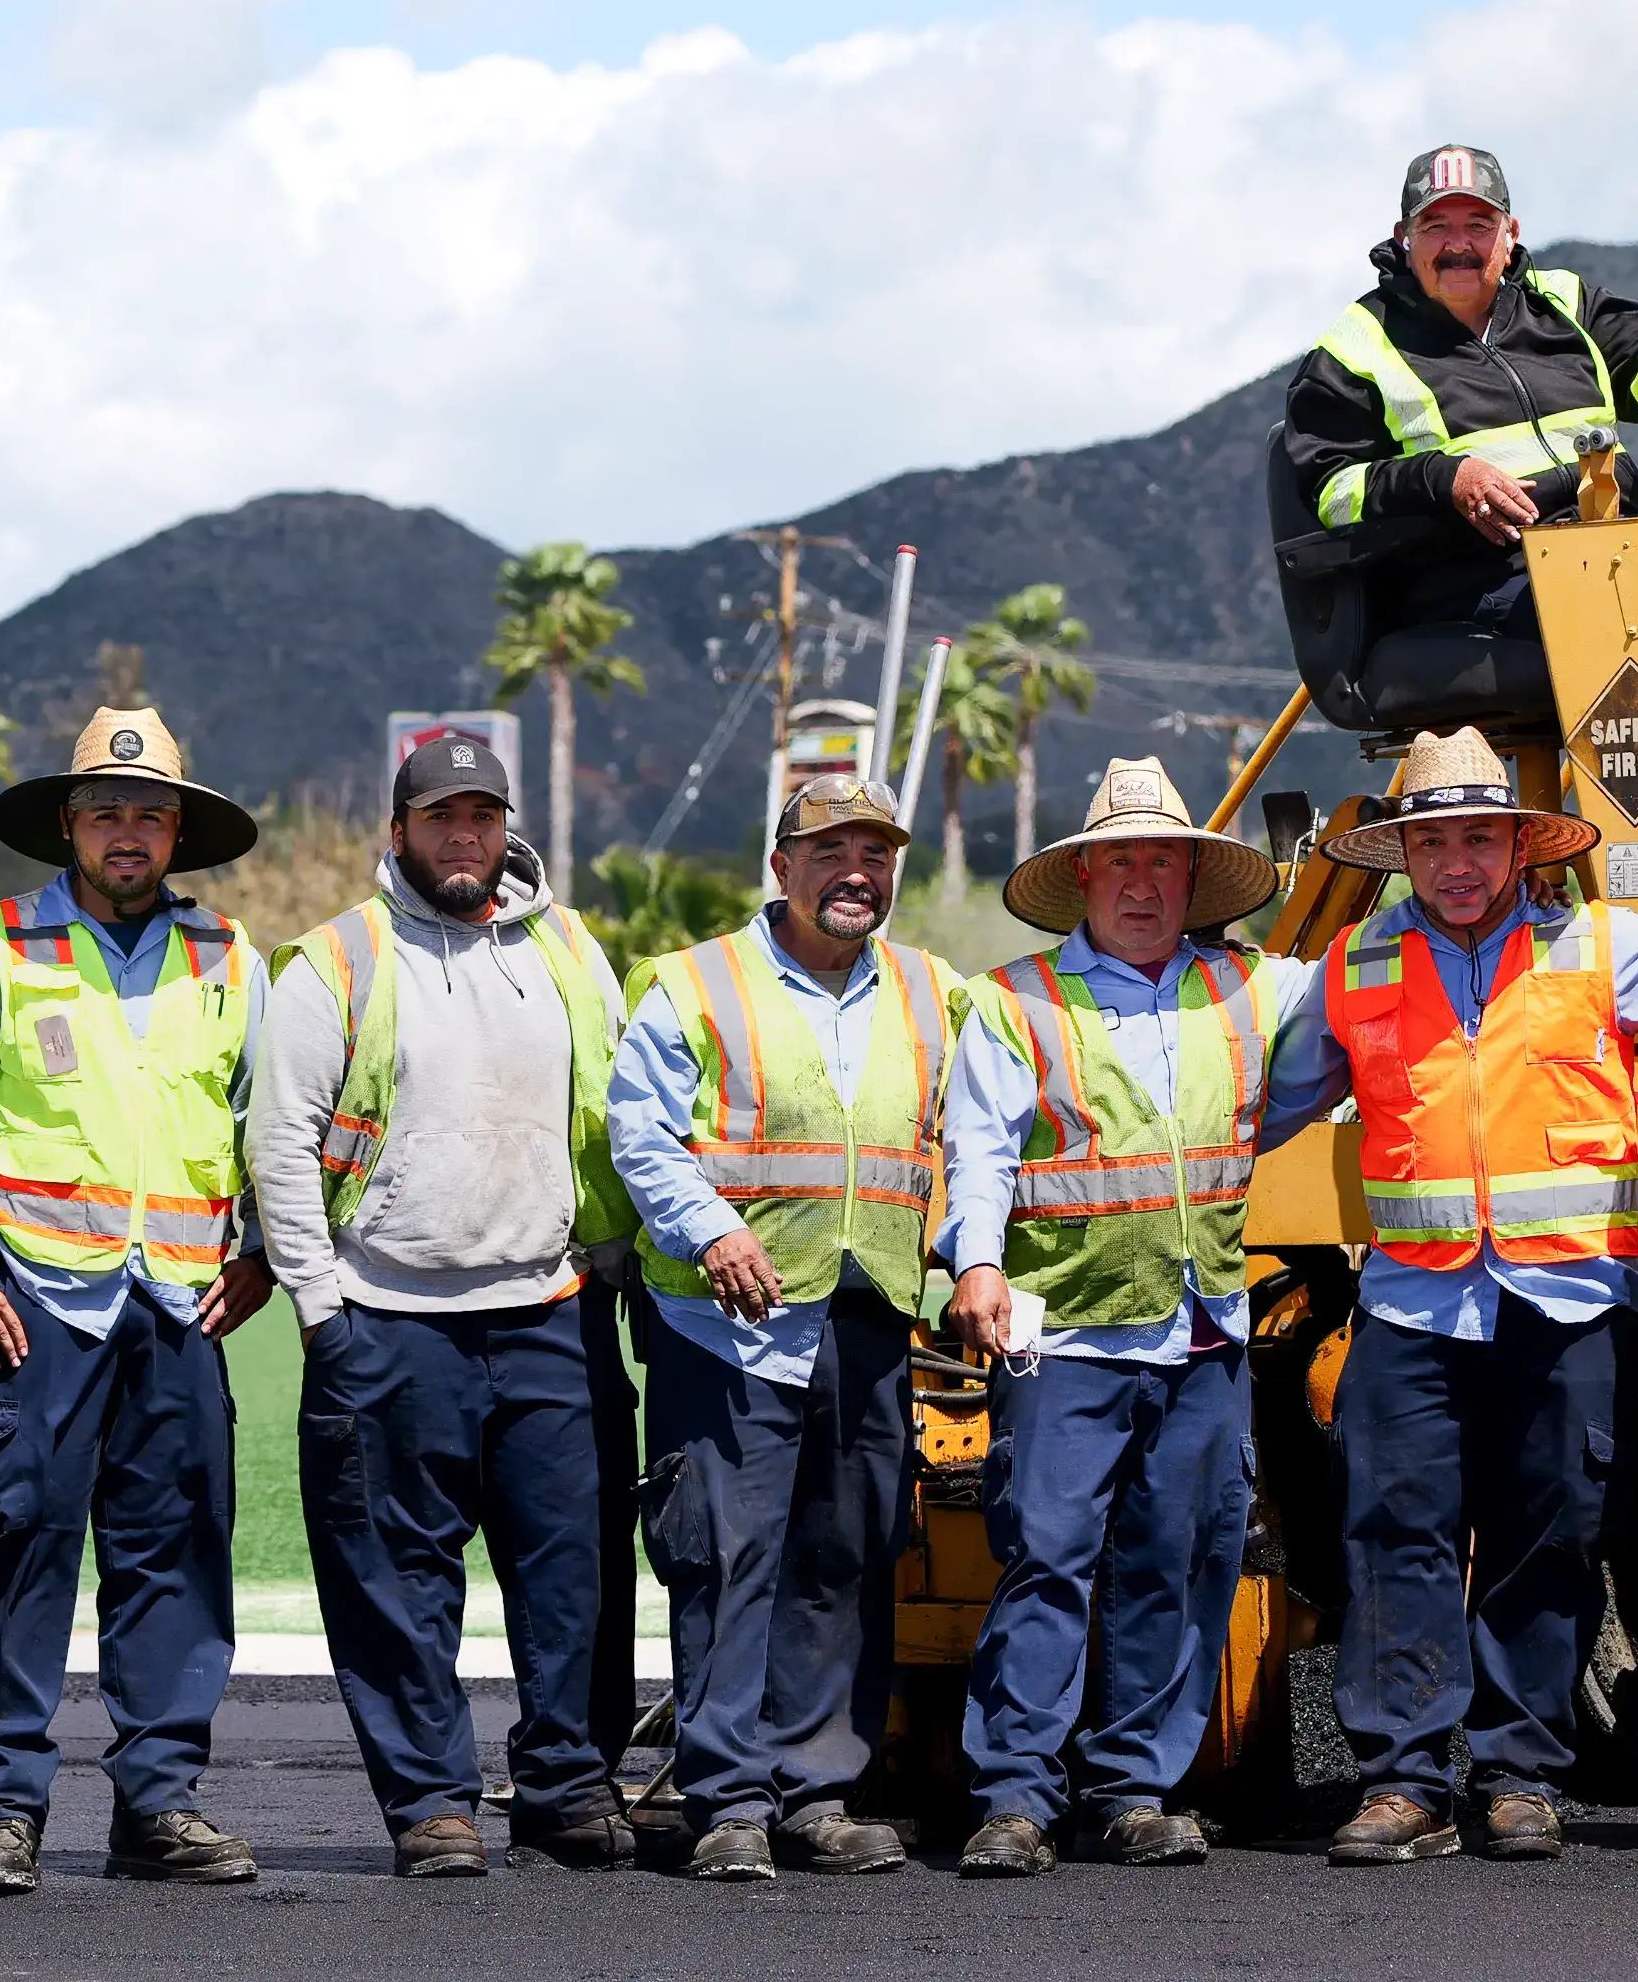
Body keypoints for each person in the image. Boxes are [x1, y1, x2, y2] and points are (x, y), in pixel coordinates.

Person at [1258, 729, 1638, 1865]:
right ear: (1403, 852)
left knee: (1545, 1540)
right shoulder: (1354, 966)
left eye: (1478, 837)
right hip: (1414, 1308)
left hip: (1564, 1304)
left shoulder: (1605, 946)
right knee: (1395, 1537)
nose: (1457, 861)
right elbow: (1262, 1106)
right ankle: (1406, 1781)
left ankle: (1519, 1776)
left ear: (1519, 843)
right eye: (1433, 842)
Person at [0, 707, 271, 1896]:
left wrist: (261, 1250)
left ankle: (158, 1802)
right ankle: (5, 1809)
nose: (127, 831)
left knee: (176, 1553)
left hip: (182, 1306)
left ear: (177, 831)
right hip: (41, 1300)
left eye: (148, 813)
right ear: (69, 823)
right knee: (29, 1541)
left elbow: (279, 1122)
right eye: (106, 810)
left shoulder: (230, 957)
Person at [249, 730, 639, 1881]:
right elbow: (281, 1142)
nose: (463, 838)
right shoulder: (336, 961)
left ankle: (567, 1785)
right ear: (400, 830)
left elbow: (613, 1111)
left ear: (506, 825)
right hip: (387, 1312)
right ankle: (431, 1805)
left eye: (480, 818)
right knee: (397, 1581)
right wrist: (324, 1313)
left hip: (549, 1311)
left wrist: (615, 1272)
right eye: (439, 819)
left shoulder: (568, 947)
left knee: (573, 1573)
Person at [935, 760, 1301, 1880]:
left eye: (1165, 861)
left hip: (1202, 1332)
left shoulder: (1254, 990)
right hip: (1068, 1334)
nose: (1144, 883)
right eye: (1124, 861)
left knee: (1178, 1558)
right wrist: (980, 1261)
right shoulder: (1018, 1001)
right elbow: (982, 1149)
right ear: (1085, 874)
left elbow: (1370, 1005)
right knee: (1047, 1558)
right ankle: (1012, 1795)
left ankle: (1132, 1787)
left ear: (1193, 877)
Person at [611, 773, 964, 1884]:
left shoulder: (931, 989)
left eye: (875, 855)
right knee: (724, 1557)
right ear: (782, 867)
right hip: (724, 1324)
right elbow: (642, 1132)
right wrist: (711, 1230)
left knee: (846, 1550)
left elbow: (979, 1121)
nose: (856, 874)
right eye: (830, 853)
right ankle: (726, 1799)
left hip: (866, 1315)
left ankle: (817, 1790)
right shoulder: (692, 985)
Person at [1276, 143, 1638, 791]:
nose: (1457, 244)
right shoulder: (1355, 346)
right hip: (1475, 581)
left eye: (1478, 225)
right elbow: (1328, 491)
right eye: (1436, 225)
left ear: (1511, 234)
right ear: (1403, 237)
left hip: (1610, 551)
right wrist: (1444, 479)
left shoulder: (1562, 302)